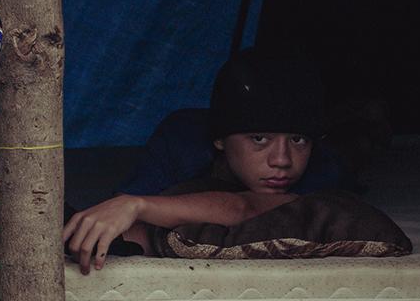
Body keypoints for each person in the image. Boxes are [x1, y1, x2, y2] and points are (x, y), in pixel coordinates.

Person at [63, 50, 325, 274]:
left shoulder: (324, 166)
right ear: (219, 139)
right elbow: (118, 220)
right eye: (259, 139)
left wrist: (138, 206)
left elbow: (252, 209)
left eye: (298, 140)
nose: (282, 160)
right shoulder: (184, 140)